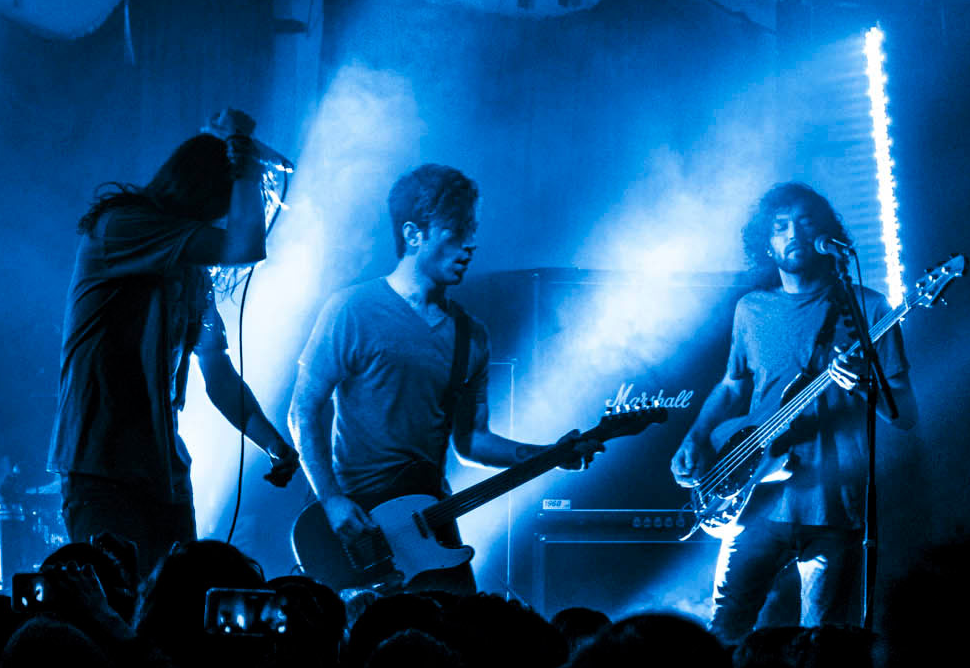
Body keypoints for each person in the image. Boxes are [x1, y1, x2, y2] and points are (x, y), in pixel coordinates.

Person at [290, 163, 597, 594]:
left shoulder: (471, 336)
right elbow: (302, 411)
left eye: (472, 231)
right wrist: (331, 500)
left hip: (429, 518)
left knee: (457, 632)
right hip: (359, 524)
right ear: (413, 234)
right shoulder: (352, 310)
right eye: (455, 232)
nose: (470, 245)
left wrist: (548, 454)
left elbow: (472, 442)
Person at [48, 110, 301, 578]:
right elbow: (245, 246)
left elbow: (218, 376)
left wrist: (271, 442)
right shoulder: (122, 227)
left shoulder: (190, 273)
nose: (222, 219)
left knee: (176, 606)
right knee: (120, 603)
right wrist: (244, 159)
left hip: (162, 470)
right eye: (219, 207)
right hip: (102, 468)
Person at [669, 181, 917, 642]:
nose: (794, 235)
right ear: (766, 242)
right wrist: (696, 436)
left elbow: (905, 414)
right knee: (725, 630)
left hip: (833, 505)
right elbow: (732, 385)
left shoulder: (867, 307)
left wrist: (864, 385)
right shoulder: (751, 310)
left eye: (805, 223)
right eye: (781, 226)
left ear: (826, 233)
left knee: (821, 644)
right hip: (755, 499)